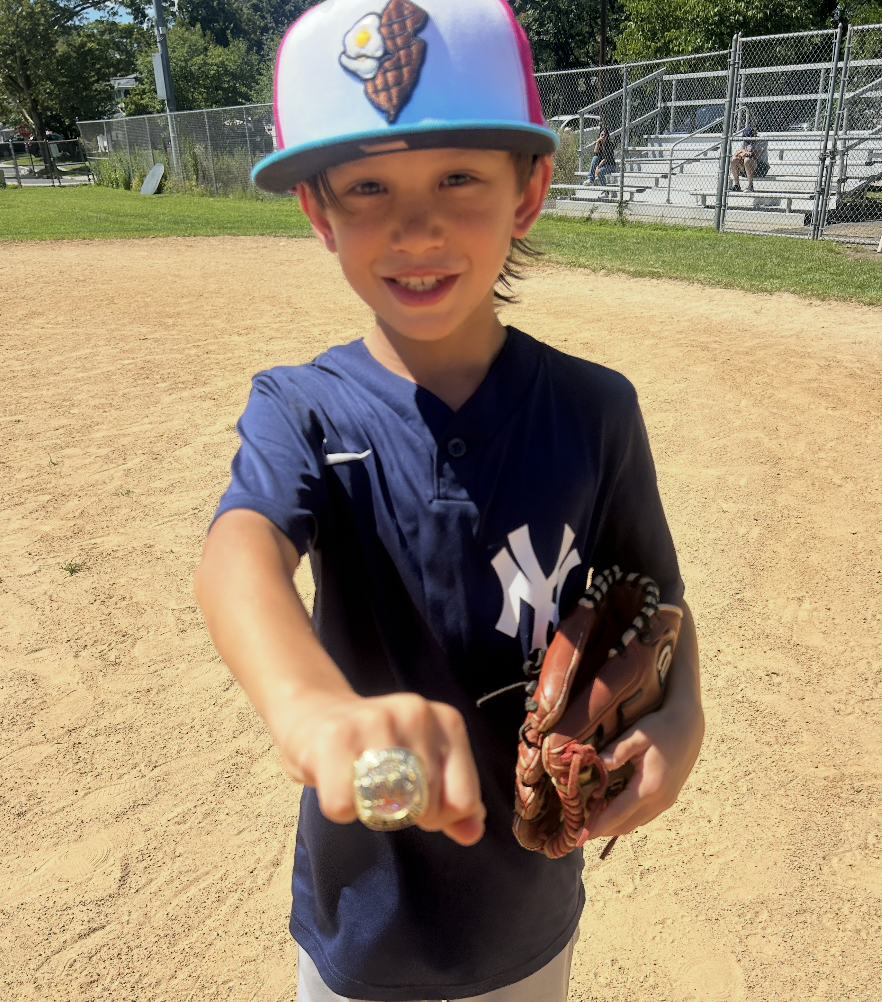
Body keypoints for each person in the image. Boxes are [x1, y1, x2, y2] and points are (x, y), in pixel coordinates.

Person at [194, 2, 705, 1000]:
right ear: (319, 211)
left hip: (531, 914)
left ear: (530, 191)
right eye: (369, 185)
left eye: (458, 178)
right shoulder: (300, 407)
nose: (415, 225)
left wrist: (682, 728)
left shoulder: (597, 410)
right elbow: (236, 553)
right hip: (364, 928)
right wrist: (309, 707)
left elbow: (661, 603)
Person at [730, 124, 760, 192]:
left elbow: (756, 156)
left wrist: (745, 153)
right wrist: (743, 152)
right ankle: (737, 185)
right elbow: (738, 153)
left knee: (747, 160)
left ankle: (750, 186)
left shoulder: (761, 139)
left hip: (760, 165)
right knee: (734, 159)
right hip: (746, 166)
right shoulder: (745, 141)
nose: (747, 142)